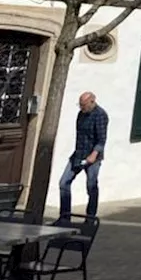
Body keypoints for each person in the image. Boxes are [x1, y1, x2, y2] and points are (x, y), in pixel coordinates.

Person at [60, 91, 107, 219]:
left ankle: (90, 217)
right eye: (80, 105)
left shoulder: (100, 115)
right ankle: (65, 217)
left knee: (91, 186)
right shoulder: (81, 114)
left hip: (93, 157)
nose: (82, 108)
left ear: (92, 101)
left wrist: (94, 154)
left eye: (84, 105)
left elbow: (102, 139)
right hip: (79, 154)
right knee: (64, 182)